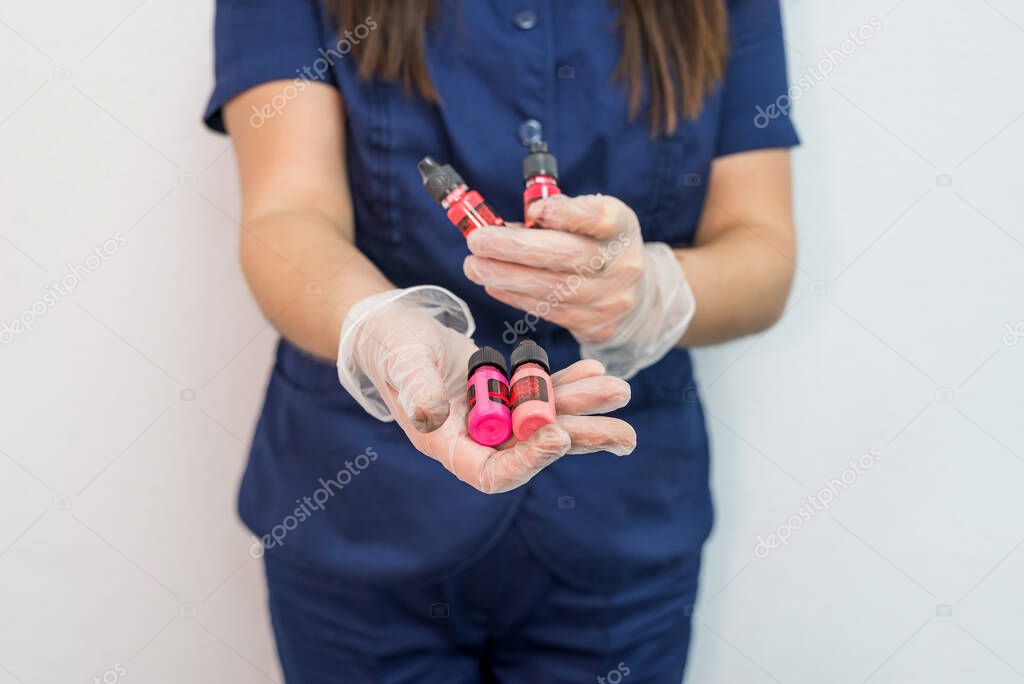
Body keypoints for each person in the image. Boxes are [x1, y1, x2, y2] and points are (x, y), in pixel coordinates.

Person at [204, 0, 798, 680]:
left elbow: (764, 253)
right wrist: (377, 327)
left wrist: (649, 293)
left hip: (623, 528)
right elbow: (287, 213)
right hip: (362, 516)